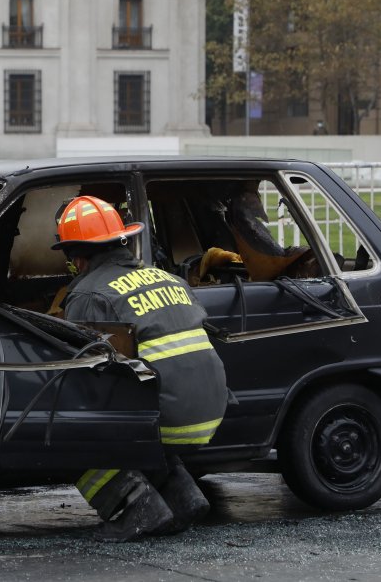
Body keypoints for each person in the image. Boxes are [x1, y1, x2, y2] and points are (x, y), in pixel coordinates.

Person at [52, 196, 229, 542]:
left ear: (76, 255)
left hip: (171, 418)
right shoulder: (167, 278)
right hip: (212, 408)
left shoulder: (88, 294)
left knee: (67, 426)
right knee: (136, 399)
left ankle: (136, 509)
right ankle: (184, 497)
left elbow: (82, 372)